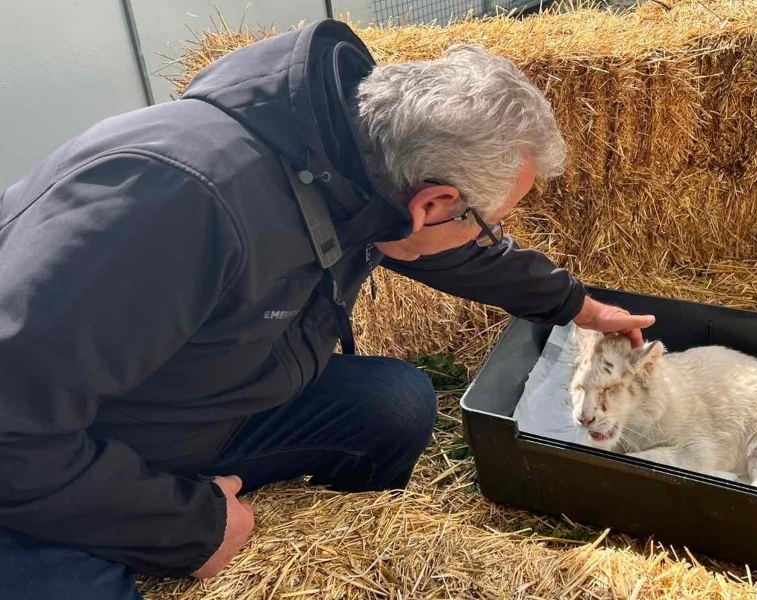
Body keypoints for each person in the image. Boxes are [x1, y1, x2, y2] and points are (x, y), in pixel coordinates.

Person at [0, 18, 655, 600]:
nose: (484, 239)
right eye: (485, 224)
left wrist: (578, 308)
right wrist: (190, 526)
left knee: (392, 404)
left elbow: (445, 253)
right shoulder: (179, 204)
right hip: (60, 450)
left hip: (185, 407)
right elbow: (12, 429)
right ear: (432, 202)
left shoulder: (352, 162)